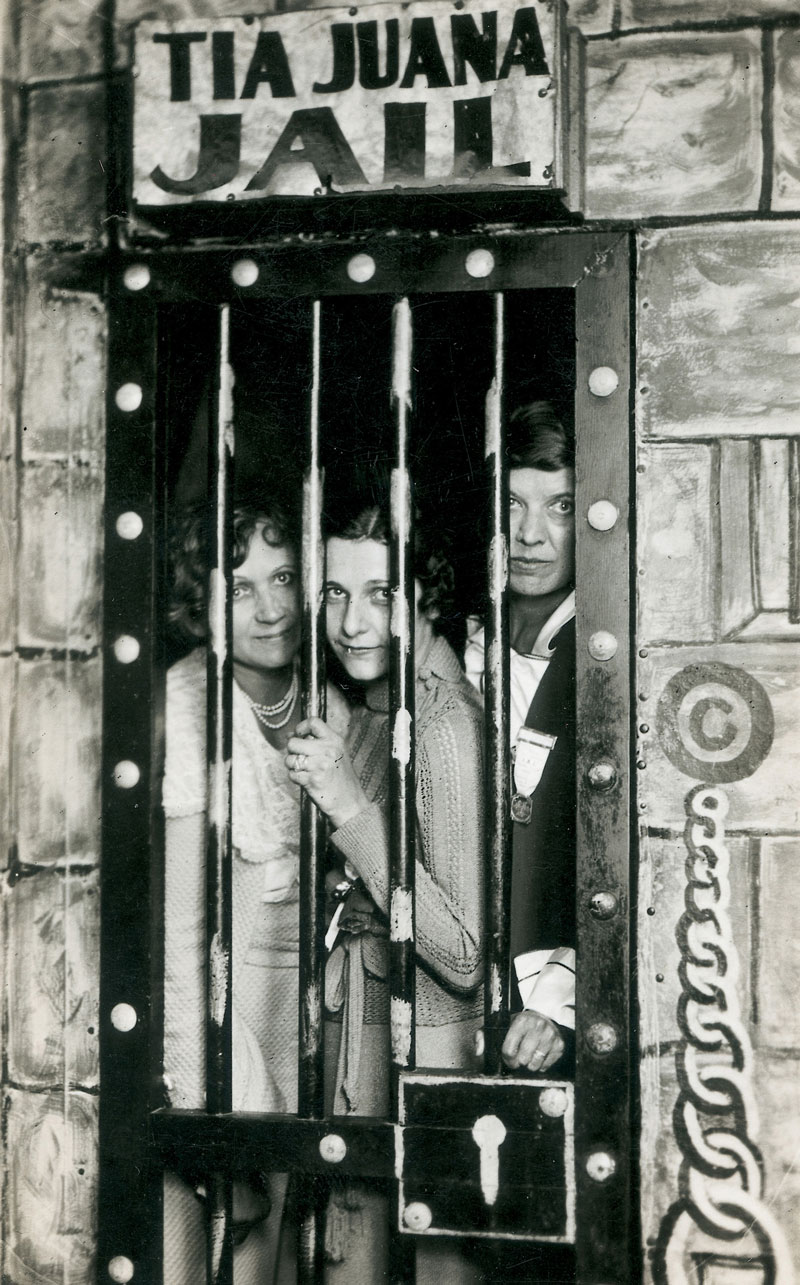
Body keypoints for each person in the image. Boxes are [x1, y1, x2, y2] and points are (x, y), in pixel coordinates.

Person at [285, 496, 485, 1281]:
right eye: (336, 591)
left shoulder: (440, 722)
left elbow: (465, 952)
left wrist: (345, 804)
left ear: (423, 593)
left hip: (423, 1062)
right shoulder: (374, 701)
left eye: (379, 593)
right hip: (366, 1051)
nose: (353, 620)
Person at [161, 495, 349, 1283]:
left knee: (282, 1254)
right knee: (207, 1244)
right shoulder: (186, 706)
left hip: (305, 1016)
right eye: (240, 587)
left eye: (283, 577)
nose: (272, 608)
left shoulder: (332, 694)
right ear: (196, 603)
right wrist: (207, 1076)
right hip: (218, 1018)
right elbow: (178, 929)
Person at [465, 400, 576, 1076]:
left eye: (562, 507)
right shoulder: (455, 638)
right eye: (514, 503)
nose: (531, 534)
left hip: (553, 1015)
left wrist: (562, 998)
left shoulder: (608, 654)